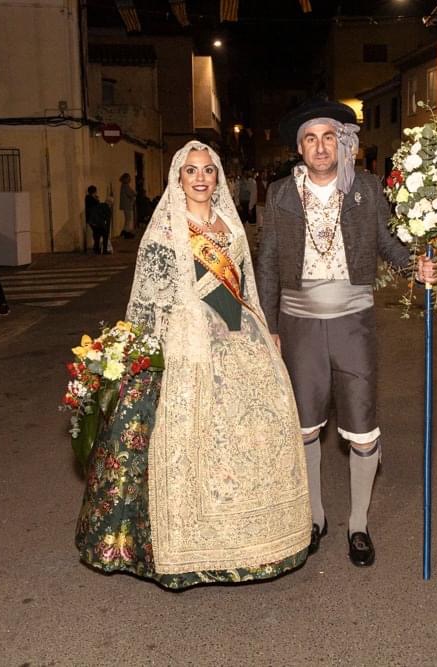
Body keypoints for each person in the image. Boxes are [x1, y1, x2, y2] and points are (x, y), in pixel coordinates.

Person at [75, 141, 311, 589]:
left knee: (253, 434)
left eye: (208, 170)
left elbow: (245, 287)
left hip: (241, 336)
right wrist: (142, 348)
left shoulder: (232, 225)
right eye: (191, 171)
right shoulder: (166, 230)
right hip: (188, 345)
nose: (200, 178)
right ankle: (186, 545)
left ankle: (256, 538)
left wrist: (265, 329)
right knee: (187, 438)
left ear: (218, 177)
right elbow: (149, 297)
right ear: (178, 179)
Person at [256, 99, 437, 567]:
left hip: (353, 323)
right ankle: (314, 517)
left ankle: (358, 524)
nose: (321, 147)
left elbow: (387, 244)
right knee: (304, 426)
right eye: (311, 139)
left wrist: (416, 269)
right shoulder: (279, 194)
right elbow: (268, 262)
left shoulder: (366, 188)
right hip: (298, 324)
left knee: (361, 427)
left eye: (328, 137)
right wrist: (269, 326)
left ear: (342, 143)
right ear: (300, 148)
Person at [85, 185, 111, 254]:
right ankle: (103, 250)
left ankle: (96, 249)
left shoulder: (88, 198)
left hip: (91, 220)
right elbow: (97, 206)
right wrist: (97, 199)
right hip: (95, 219)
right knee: (103, 233)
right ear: (94, 192)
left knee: (96, 234)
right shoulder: (92, 199)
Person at [118, 173, 136, 240]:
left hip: (126, 205)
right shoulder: (125, 186)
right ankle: (126, 232)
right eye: (129, 178)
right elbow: (131, 193)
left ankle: (125, 231)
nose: (130, 179)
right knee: (129, 219)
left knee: (127, 219)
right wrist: (134, 194)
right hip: (127, 205)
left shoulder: (124, 185)